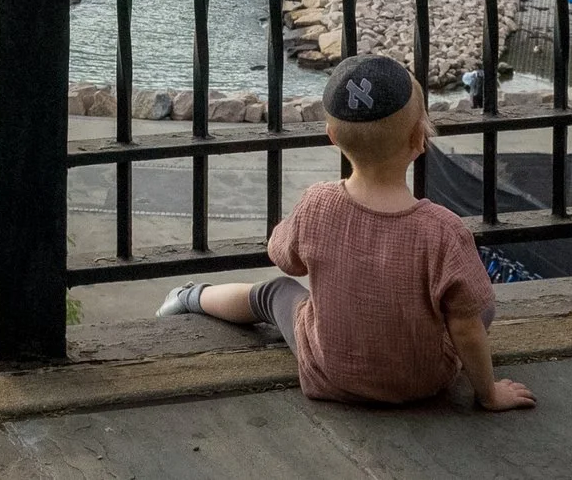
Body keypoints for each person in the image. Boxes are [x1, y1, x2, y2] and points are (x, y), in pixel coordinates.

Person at [154, 55, 534, 412]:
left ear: (332, 136)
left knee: (273, 292)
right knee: (475, 305)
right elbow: (467, 328)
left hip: (330, 374)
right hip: (422, 381)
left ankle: (189, 297)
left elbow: (284, 258)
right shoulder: (444, 231)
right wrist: (489, 395)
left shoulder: (317, 203)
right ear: (420, 139)